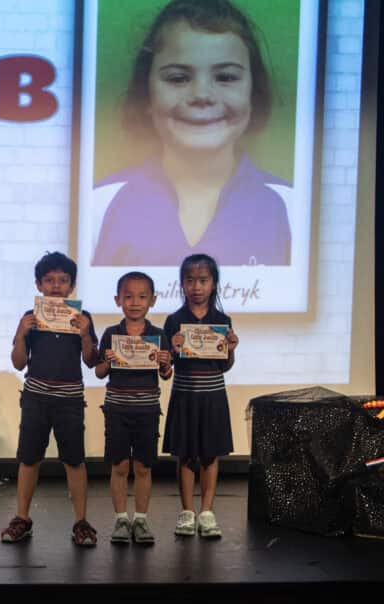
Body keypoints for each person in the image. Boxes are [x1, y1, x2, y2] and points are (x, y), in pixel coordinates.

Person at [91, 0, 291, 267]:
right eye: (178, 78)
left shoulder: (293, 210)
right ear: (146, 95)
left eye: (226, 77)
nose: (202, 95)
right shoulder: (97, 207)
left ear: (253, 94)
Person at [2, 252, 100, 546]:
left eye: (63, 280)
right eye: (49, 280)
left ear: (72, 285)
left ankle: (81, 521)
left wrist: (85, 334)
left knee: (74, 460)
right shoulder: (30, 317)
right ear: (38, 284)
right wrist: (21, 334)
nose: (56, 286)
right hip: (36, 397)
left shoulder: (83, 318)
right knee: (29, 458)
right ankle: (22, 518)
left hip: (70, 399)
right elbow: (19, 362)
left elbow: (91, 361)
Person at [94, 272, 173, 544]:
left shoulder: (158, 335)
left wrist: (165, 363)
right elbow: (99, 372)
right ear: (118, 300)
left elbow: (165, 374)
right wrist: (107, 361)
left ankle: (140, 519)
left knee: (143, 467)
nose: (135, 302)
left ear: (153, 300)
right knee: (119, 466)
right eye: (128, 296)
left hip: (147, 410)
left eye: (142, 297)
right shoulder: (111, 333)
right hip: (116, 409)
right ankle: (120, 519)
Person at [163, 253, 238, 538]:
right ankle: (187, 512)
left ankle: (207, 512)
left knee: (210, 454)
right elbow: (166, 368)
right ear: (182, 284)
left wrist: (231, 349)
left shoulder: (222, 320)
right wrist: (171, 349)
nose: (196, 287)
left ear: (214, 283)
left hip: (213, 396)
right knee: (185, 454)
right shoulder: (174, 320)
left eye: (203, 280)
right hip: (184, 394)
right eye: (190, 280)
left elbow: (225, 366)